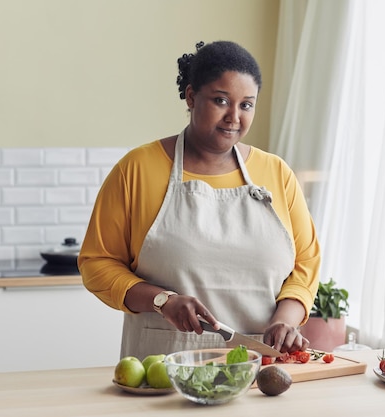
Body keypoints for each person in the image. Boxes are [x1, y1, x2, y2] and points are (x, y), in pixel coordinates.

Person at [78, 40, 321, 360]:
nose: (233, 117)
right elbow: (97, 263)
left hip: (262, 366)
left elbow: (305, 265)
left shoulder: (276, 173)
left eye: (246, 105)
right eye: (221, 100)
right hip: (162, 365)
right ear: (191, 96)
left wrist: (284, 321)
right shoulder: (137, 169)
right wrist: (161, 300)